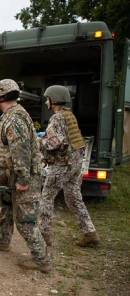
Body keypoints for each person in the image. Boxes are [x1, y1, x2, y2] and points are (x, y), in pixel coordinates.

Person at [0, 79, 51, 273]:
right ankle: (2, 240)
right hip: (10, 175)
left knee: (25, 220)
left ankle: (42, 260)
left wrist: (22, 179)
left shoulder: (14, 119)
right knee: (7, 206)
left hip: (21, 176)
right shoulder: (13, 114)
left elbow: (20, 150)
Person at [38, 85, 101, 247]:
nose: (46, 101)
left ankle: (43, 235)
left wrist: (39, 141)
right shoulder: (69, 115)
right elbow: (67, 138)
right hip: (75, 163)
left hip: (62, 164)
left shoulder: (57, 118)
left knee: (46, 198)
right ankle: (89, 233)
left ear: (53, 100)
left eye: (47, 98)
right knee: (73, 198)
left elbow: (54, 143)